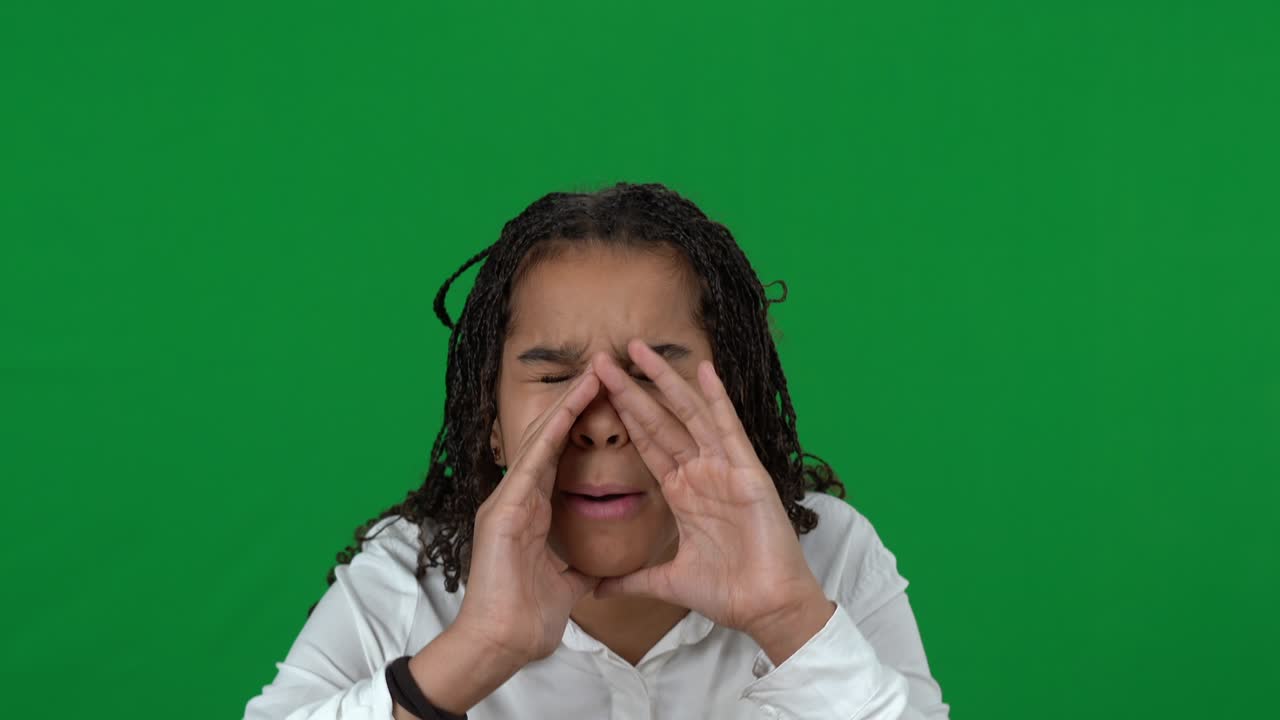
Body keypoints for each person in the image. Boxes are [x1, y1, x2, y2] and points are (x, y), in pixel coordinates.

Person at [243, 182, 951, 719]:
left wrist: (790, 622)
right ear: (489, 417)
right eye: (553, 377)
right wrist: (476, 650)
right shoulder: (405, 577)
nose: (602, 423)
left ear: (727, 402)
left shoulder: (830, 558)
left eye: (648, 376)